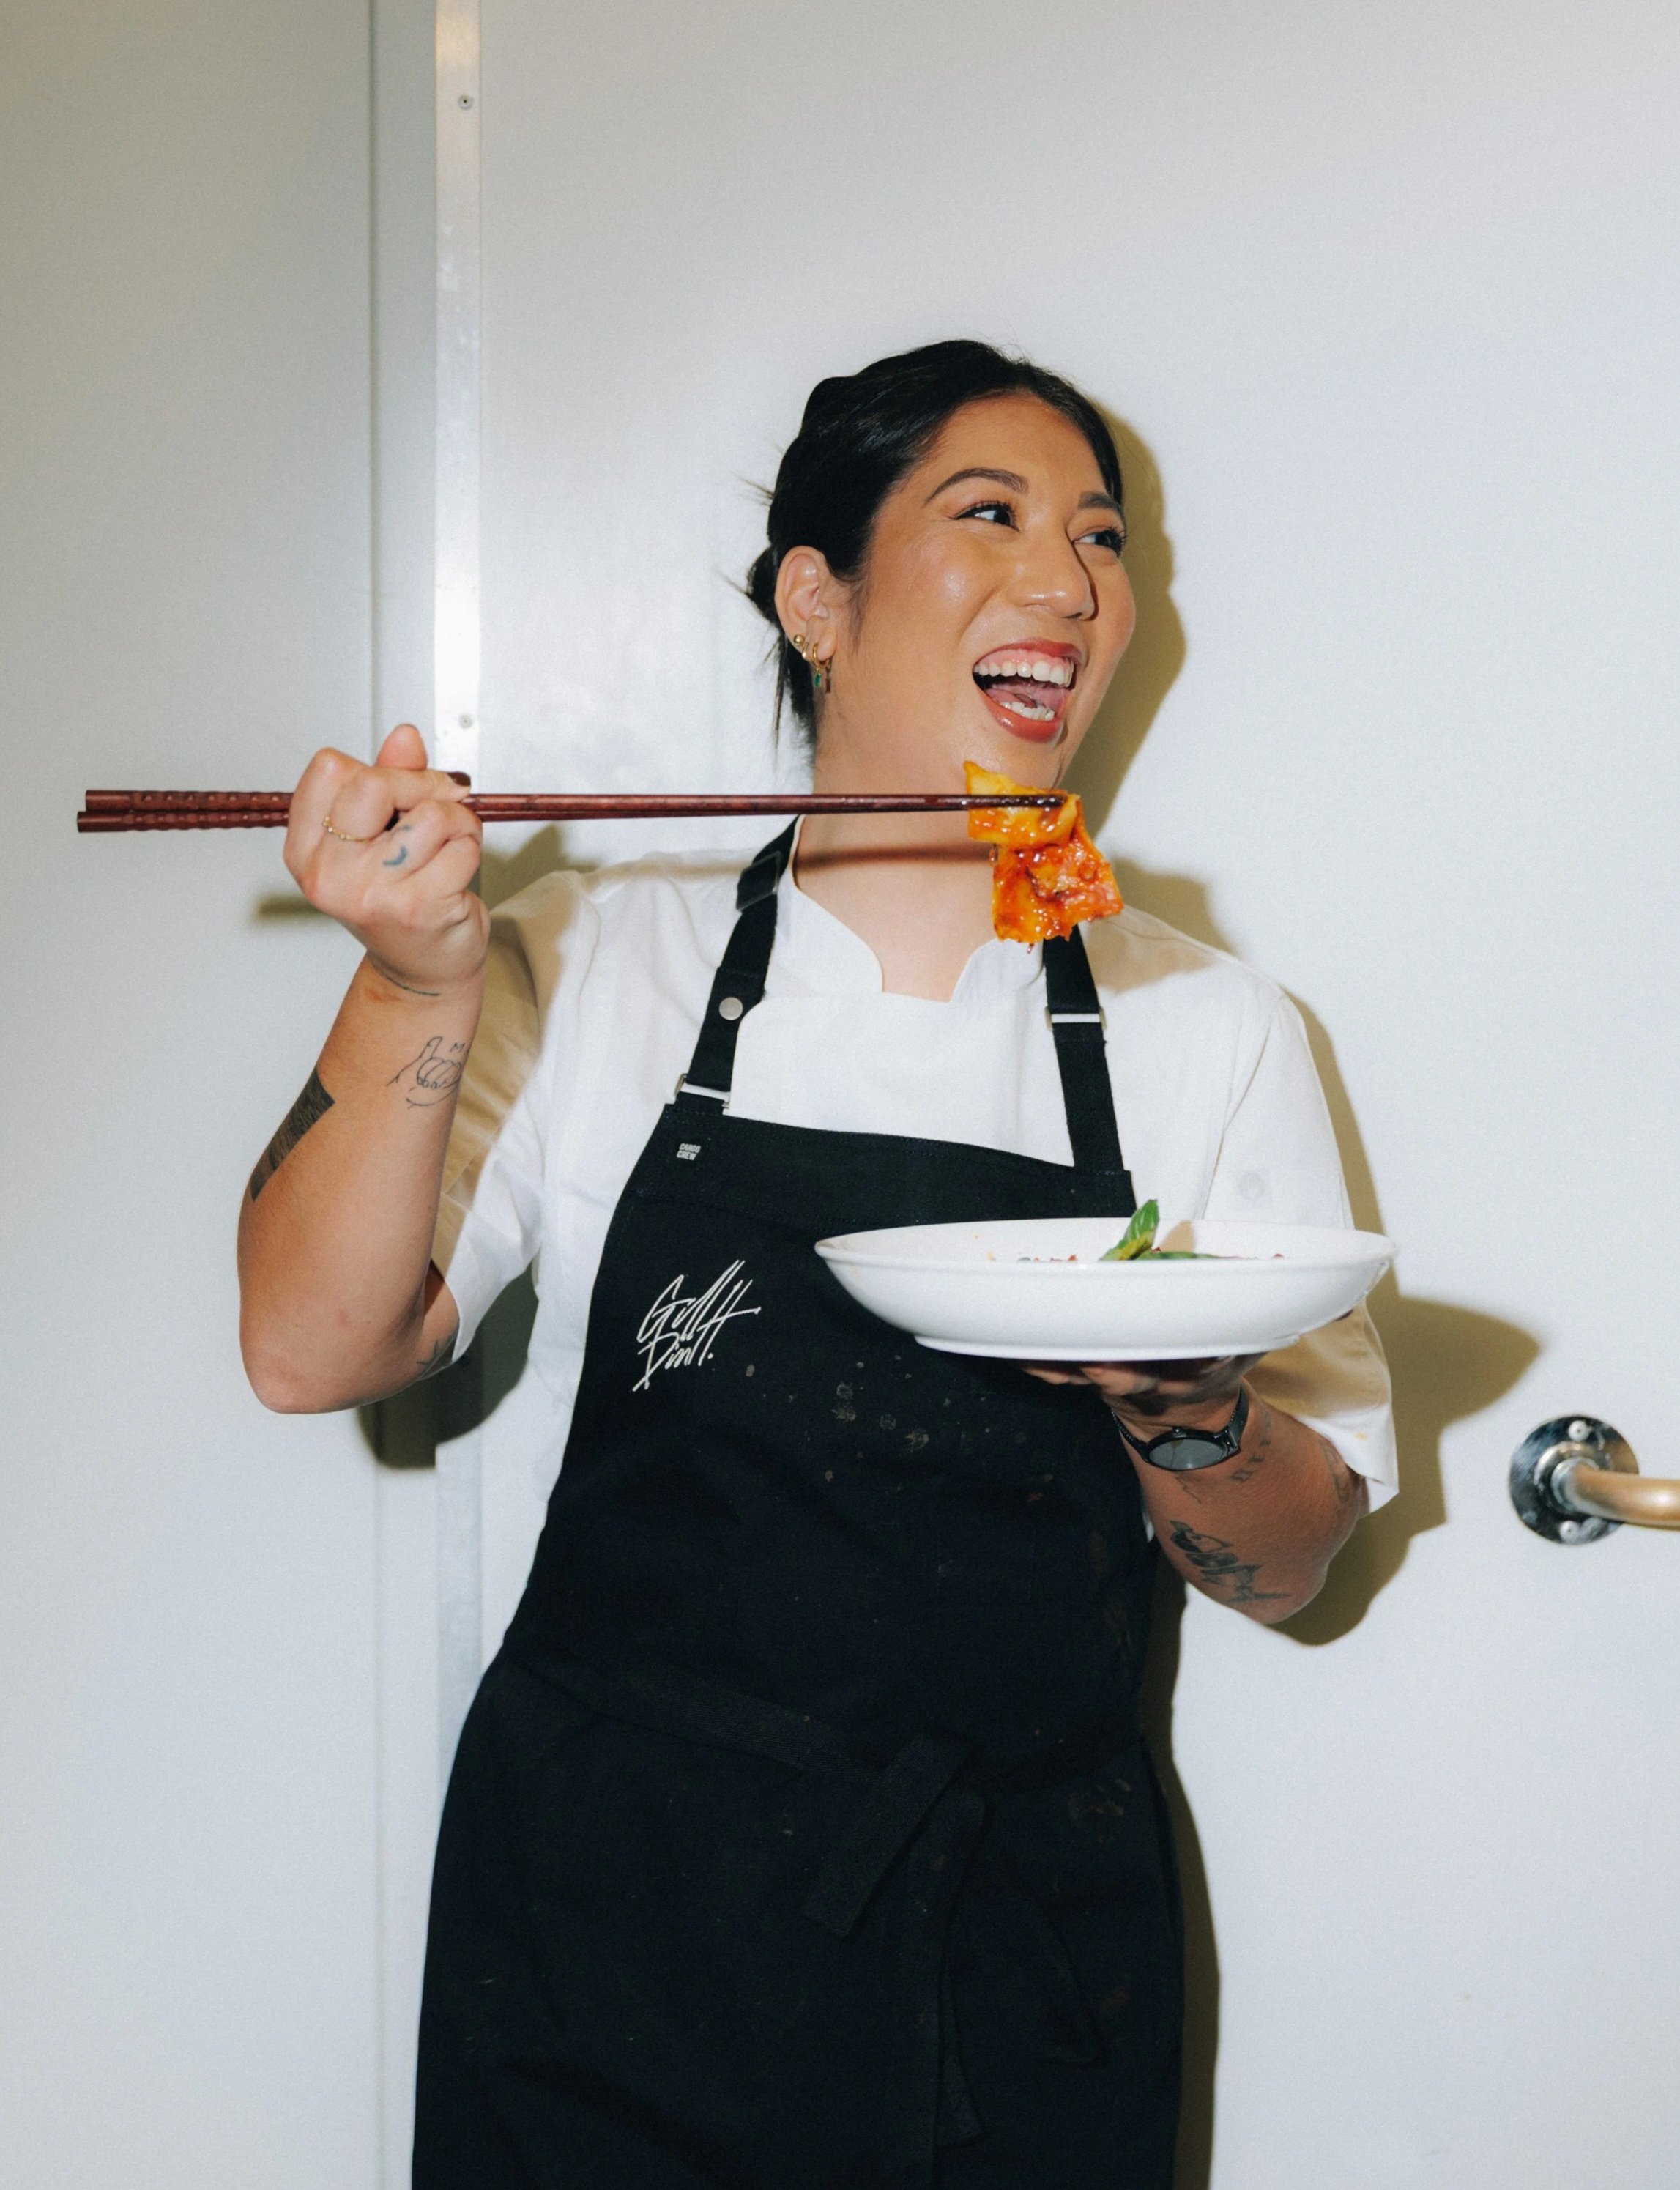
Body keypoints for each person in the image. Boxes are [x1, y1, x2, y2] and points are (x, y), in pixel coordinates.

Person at [239, 340, 1394, 2188]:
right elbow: (313, 1349)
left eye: (1101, 538)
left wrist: (1186, 1411)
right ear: (816, 600)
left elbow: (1297, 1554)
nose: (1068, 579)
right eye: (990, 514)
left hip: (1018, 1941)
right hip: (611, 1921)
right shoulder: (592, 958)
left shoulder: (1206, 1024)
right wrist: (406, 980)